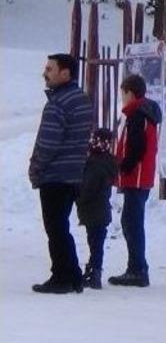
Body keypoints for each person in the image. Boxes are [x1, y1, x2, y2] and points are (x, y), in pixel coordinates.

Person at [29, 53, 93, 294]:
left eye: (50, 69)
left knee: (55, 228)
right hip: (74, 172)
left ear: (65, 73)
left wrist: (36, 168)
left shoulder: (57, 103)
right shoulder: (82, 99)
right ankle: (73, 274)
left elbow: (48, 143)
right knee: (61, 225)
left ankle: (62, 276)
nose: (45, 74)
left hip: (55, 174)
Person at [109, 74, 162, 287]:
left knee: (131, 222)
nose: (122, 98)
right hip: (140, 176)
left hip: (136, 176)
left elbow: (137, 147)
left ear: (130, 93)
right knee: (131, 221)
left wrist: (123, 167)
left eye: (123, 94)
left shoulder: (138, 115)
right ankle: (138, 267)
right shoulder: (144, 113)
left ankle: (137, 270)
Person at [75, 128, 118, 289]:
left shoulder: (94, 164)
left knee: (95, 242)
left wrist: (78, 197)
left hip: (93, 209)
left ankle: (95, 272)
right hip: (101, 209)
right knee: (96, 242)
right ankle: (94, 269)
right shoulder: (108, 162)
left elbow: (88, 188)